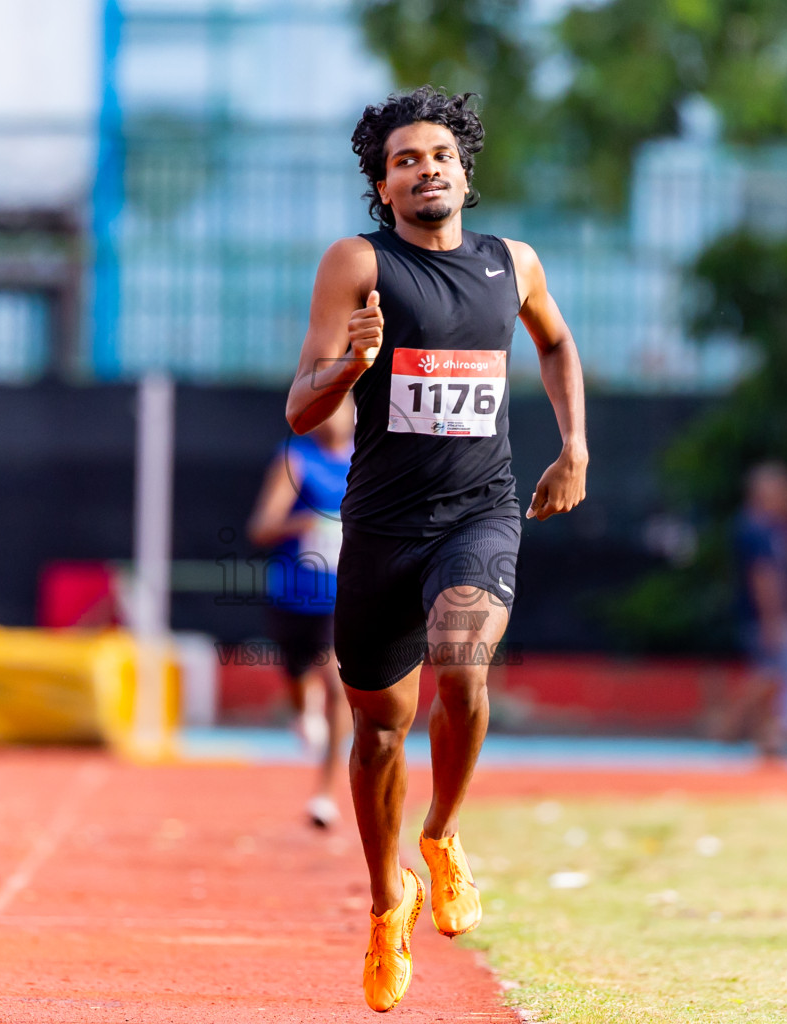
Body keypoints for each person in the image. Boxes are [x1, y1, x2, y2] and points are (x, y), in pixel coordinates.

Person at [284, 86, 587, 1012]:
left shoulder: (512, 263)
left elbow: (557, 346)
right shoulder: (359, 264)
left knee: (462, 665)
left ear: (465, 170)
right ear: (383, 185)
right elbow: (300, 407)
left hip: (478, 515)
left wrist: (574, 446)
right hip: (382, 527)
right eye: (406, 160)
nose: (427, 170)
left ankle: (443, 833)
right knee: (379, 729)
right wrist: (352, 365)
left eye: (442, 156)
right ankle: (388, 903)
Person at [246, 400, 355, 829]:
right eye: (327, 409)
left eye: (342, 408)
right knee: (297, 673)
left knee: (338, 684)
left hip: (341, 597)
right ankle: (302, 707)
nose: (334, 417)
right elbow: (261, 527)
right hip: (293, 595)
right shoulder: (296, 459)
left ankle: (326, 794)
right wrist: (306, 522)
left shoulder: (367, 459)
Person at [723, 462, 787, 755]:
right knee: (769, 675)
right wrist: (772, 619)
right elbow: (763, 577)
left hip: (763, 614)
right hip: (761, 615)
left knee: (770, 674)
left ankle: (765, 733)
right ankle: (731, 725)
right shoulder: (756, 529)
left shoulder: (767, 527)